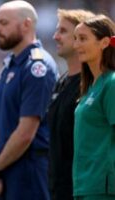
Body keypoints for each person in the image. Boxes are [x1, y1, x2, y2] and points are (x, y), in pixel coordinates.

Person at [0, 1, 57, 199]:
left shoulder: (36, 67)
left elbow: (25, 133)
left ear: (26, 24)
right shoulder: (9, 65)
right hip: (3, 171)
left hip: (27, 171)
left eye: (4, 23)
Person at [47, 9, 94, 200]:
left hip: (85, 189)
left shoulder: (94, 84)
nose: (55, 36)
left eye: (63, 31)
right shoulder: (62, 81)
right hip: (58, 188)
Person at [72, 14, 115, 200]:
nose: (76, 45)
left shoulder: (111, 83)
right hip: (84, 185)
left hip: (103, 187)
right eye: (75, 39)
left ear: (104, 42)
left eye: (82, 39)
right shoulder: (91, 86)